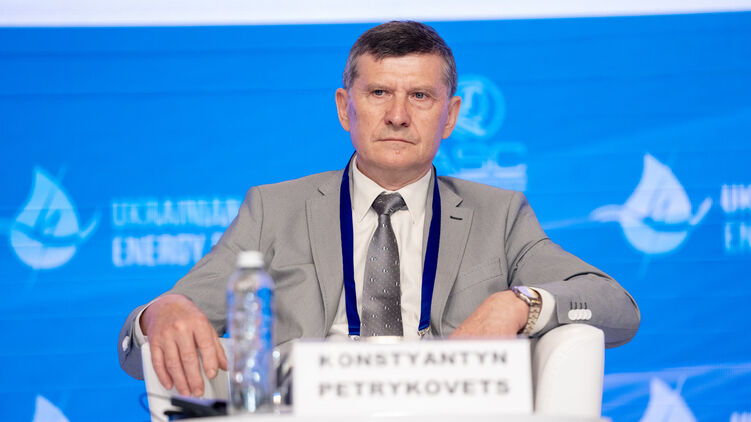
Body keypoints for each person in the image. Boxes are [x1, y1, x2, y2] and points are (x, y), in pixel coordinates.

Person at [118, 21, 640, 398]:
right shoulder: (273, 209)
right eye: (378, 93)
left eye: (420, 96)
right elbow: (144, 344)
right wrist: (162, 311)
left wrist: (519, 303)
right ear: (345, 107)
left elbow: (617, 306)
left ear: (451, 115)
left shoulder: (498, 214)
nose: (397, 115)